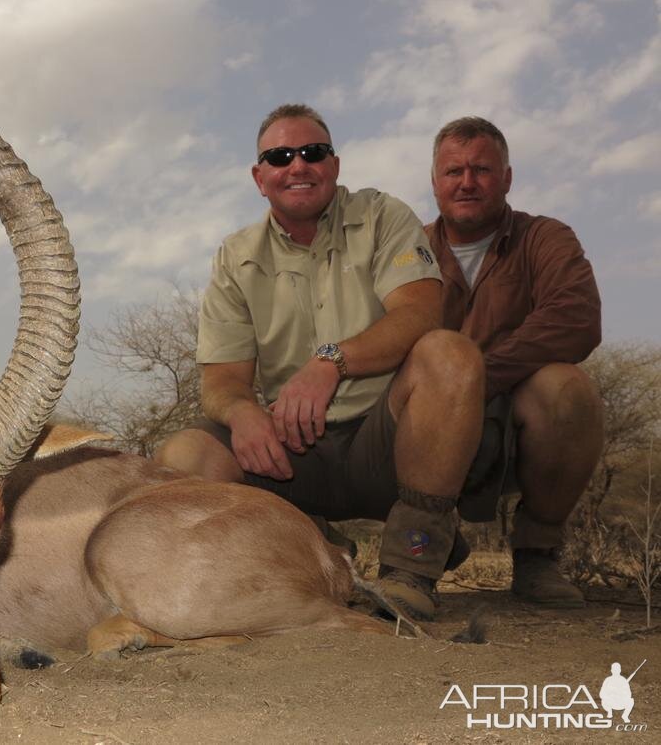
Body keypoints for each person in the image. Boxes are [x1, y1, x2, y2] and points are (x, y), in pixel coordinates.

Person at [154, 104, 485, 620]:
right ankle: (310, 545)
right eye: (279, 156)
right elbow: (222, 381)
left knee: (451, 354)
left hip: (389, 443)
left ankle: (414, 562)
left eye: (313, 152)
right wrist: (243, 414)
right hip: (292, 455)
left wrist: (330, 362)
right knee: (182, 457)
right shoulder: (234, 255)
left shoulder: (384, 216)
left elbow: (420, 314)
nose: (298, 165)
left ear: (334, 165)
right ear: (259, 178)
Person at [426, 116, 603, 607]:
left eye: (481, 169)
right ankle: (424, 541)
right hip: (423, 419)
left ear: (506, 178)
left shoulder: (545, 237)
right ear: (435, 181)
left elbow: (577, 317)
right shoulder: (404, 249)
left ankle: (537, 555)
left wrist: (476, 379)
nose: (466, 182)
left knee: (567, 391)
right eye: (453, 171)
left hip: (508, 416)